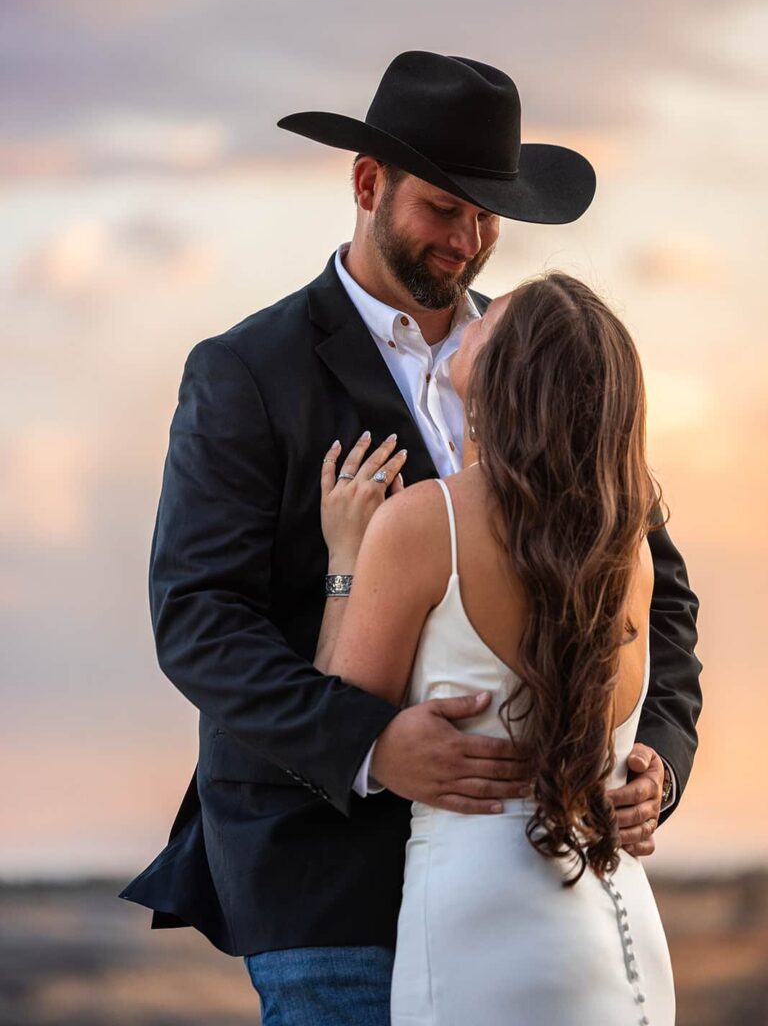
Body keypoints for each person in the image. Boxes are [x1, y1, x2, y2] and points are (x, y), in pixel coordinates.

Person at [120, 51, 701, 1026]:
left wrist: (662, 755)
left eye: (488, 214)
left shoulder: (550, 367)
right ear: (365, 184)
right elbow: (198, 619)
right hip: (324, 871)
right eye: (444, 207)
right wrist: (371, 745)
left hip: (530, 872)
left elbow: (656, 590)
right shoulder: (246, 373)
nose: (469, 239)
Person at [316, 273, 678, 1024]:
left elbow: (339, 711)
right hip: (623, 921)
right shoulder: (630, 549)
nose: (472, 314)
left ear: (504, 372)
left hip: (484, 919)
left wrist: (345, 557)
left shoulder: (425, 523)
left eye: (493, 318)